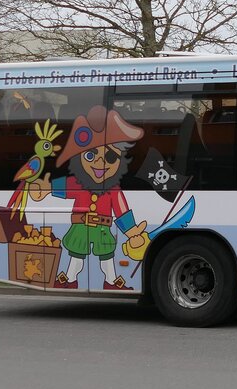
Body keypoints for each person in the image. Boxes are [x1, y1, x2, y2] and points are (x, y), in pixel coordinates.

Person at [29, 105, 150, 290]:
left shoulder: (114, 189)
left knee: (107, 257)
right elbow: (63, 186)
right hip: (80, 227)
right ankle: (70, 280)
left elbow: (122, 211)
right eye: (90, 154)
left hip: (102, 229)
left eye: (111, 157)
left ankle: (111, 282)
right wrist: (46, 188)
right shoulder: (78, 182)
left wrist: (132, 232)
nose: (100, 161)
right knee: (76, 255)